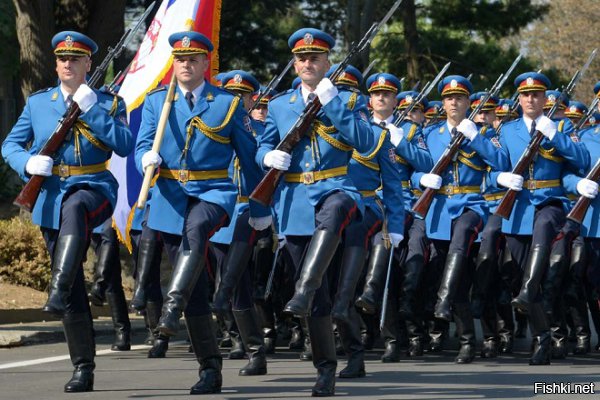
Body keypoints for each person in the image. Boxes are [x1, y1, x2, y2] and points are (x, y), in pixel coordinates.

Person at [135, 31, 270, 394]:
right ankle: (210, 369)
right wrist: (144, 157)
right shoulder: (156, 101)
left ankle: (169, 309)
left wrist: (259, 206)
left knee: (197, 230)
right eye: (180, 59)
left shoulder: (226, 104)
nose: (186, 65)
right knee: (195, 286)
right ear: (174, 63)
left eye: (193, 59)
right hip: (168, 197)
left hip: (213, 192)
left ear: (206, 63)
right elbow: (144, 143)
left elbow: (248, 160)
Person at [2, 31, 133, 392]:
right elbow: (10, 145)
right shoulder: (39, 103)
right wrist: (28, 163)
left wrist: (92, 109)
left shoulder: (107, 102)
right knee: (74, 283)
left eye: (76, 59)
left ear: (89, 64)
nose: (68, 64)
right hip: (49, 197)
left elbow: (124, 145)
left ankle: (55, 289)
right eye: (63, 59)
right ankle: (83, 367)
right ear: (56, 63)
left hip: (94, 189)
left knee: (75, 208)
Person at [255, 27, 375, 397]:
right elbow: (262, 145)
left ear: (327, 63)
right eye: (302, 58)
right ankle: (326, 368)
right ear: (295, 63)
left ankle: (303, 289)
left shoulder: (348, 100)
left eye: (316, 58)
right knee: (320, 300)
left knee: (336, 209)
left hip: (336, 188)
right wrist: (266, 156)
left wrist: (333, 102)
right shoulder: (278, 105)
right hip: (293, 201)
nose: (308, 63)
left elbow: (366, 142)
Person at [492, 72, 590, 365]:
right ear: (519, 99)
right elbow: (491, 169)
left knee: (545, 226)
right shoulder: (508, 131)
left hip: (550, 203)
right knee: (521, 276)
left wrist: (554, 135)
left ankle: (527, 291)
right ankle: (543, 338)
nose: (531, 99)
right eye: (526, 95)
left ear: (546, 99)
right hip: (518, 209)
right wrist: (500, 177)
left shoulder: (560, 126)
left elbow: (581, 161)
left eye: (537, 94)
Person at [413, 75, 509, 363]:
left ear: (469, 102)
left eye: (460, 98)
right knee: (456, 276)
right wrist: (421, 178)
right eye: (449, 98)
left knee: (467, 252)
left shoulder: (483, 134)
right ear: (442, 103)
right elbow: (413, 171)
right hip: (440, 208)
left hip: (471, 205)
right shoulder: (429, 135)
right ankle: (467, 341)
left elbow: (501, 163)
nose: (454, 102)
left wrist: (475, 138)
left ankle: (447, 308)